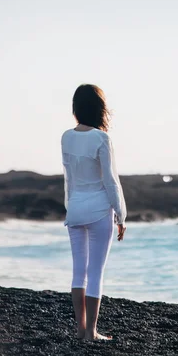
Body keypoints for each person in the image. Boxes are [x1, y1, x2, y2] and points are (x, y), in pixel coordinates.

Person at [61, 84, 127, 341]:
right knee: (96, 271)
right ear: (100, 109)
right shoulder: (102, 138)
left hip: (75, 208)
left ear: (76, 108)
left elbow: (68, 178)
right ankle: (91, 332)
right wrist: (121, 214)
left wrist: (71, 207)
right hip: (99, 210)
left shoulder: (66, 136)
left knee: (79, 271)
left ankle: (80, 329)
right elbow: (111, 181)